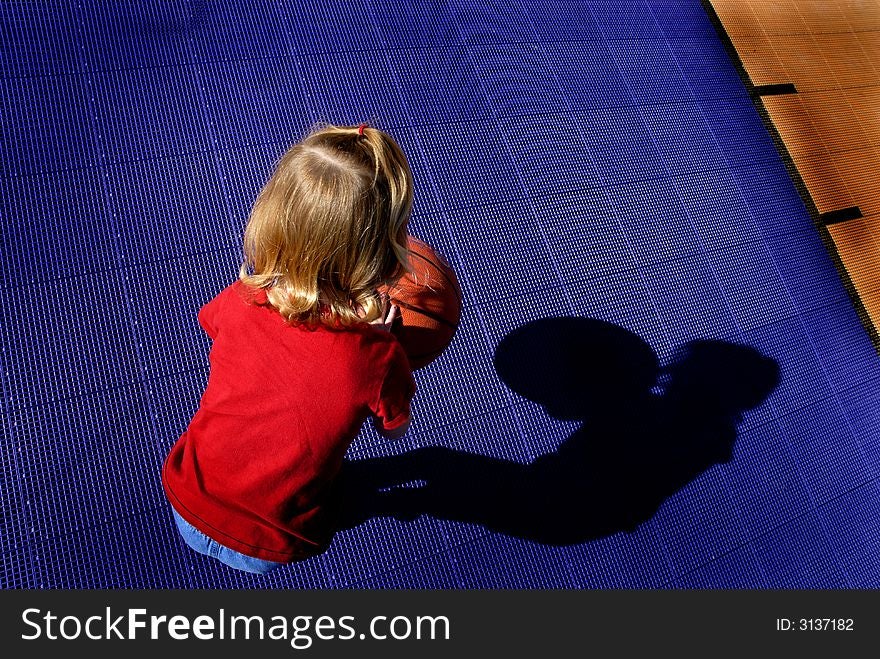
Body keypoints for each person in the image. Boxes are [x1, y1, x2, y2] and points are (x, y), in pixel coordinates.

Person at [161, 123, 417, 574]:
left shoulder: (241, 299)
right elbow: (394, 430)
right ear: (381, 253)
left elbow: (212, 325)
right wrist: (379, 338)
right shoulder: (376, 357)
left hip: (187, 497)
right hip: (274, 542)